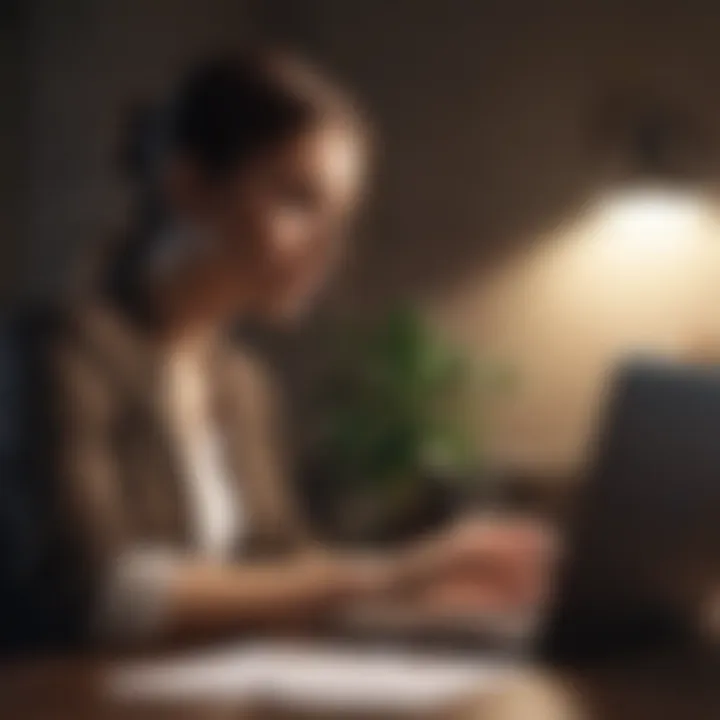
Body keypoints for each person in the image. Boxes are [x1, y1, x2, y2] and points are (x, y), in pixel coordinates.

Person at [37, 50, 550, 647]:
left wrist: (426, 603)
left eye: (342, 218)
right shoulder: (64, 350)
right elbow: (95, 593)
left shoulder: (242, 383)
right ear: (191, 188)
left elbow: (281, 570)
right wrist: (386, 578)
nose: (330, 247)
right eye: (299, 200)